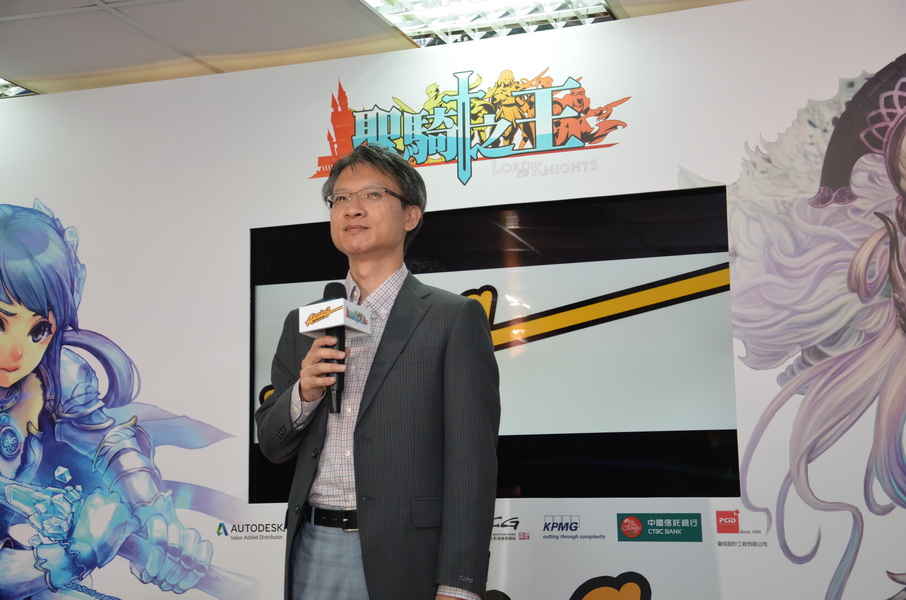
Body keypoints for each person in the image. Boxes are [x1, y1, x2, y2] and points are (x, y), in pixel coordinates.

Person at [255, 144, 500, 600]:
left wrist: (458, 583)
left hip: (407, 553)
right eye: (340, 198)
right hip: (312, 546)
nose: (352, 209)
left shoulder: (453, 317)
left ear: (411, 215)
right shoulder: (304, 322)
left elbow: (472, 464)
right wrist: (304, 394)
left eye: (371, 195)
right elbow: (272, 444)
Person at [0, 201, 213, 597]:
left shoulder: (56, 374)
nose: (17, 353)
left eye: (39, 329)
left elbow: (110, 442)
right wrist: (73, 556)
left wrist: (156, 516)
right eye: (0, 322)